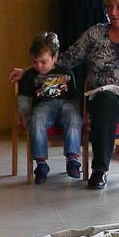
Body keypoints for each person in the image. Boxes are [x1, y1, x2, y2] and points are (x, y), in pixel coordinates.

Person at [10, 0, 119, 191]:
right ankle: (100, 170)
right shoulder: (95, 34)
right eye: (109, 7)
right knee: (104, 100)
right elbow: (65, 60)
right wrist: (30, 70)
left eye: (118, 7)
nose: (112, 12)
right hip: (105, 97)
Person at [16, 32, 82, 185]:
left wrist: (79, 114)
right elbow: (24, 100)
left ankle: (72, 159)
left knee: (73, 118)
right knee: (36, 120)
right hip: (43, 106)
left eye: (43, 62)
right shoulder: (29, 76)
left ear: (55, 58)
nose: (39, 66)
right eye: (35, 62)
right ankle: (41, 164)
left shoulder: (66, 73)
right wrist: (26, 118)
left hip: (66, 105)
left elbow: (74, 99)